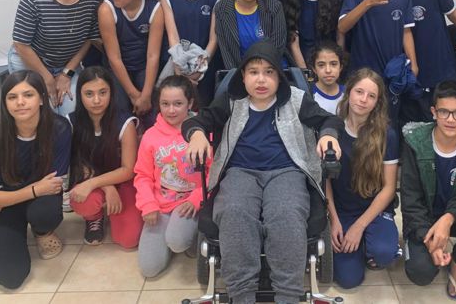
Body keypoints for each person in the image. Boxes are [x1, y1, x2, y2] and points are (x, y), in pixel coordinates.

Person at [183, 40, 342, 304]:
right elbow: (199, 120)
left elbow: (329, 119)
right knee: (234, 211)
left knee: (286, 213)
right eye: (253, 72)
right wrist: (197, 133)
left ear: (279, 78)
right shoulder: (232, 100)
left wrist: (328, 135)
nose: (261, 79)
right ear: (243, 76)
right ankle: (241, 294)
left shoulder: (296, 99)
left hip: (286, 171)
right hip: (240, 171)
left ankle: (288, 295)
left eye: (269, 72)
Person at [0, 70, 72, 289]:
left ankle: (42, 231)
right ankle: (17, 230)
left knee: (44, 213)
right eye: (12, 97)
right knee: (10, 279)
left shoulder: (60, 128)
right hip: (11, 204)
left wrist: (2, 197)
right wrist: (34, 189)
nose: (20, 102)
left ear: (41, 98)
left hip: (30, 199)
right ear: (5, 104)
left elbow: (53, 185)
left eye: (28, 95)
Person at [401, 80, 456, 300]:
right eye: (444, 112)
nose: (451, 119)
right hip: (424, 215)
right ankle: (426, 245)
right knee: (421, 273)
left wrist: (448, 218)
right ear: (434, 112)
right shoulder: (414, 142)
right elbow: (411, 199)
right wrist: (430, 243)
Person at [326, 69, 401, 289]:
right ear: (348, 92)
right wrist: (333, 220)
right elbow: (326, 180)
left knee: (384, 253)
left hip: (374, 209)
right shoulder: (332, 129)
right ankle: (358, 248)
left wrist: (359, 227)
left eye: (371, 96)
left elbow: (389, 188)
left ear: (377, 102)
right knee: (348, 280)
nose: (363, 99)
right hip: (343, 210)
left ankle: (369, 243)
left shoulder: (387, 134)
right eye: (359, 92)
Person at [9, 0, 102, 115]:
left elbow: (89, 39)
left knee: (71, 111)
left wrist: (66, 74)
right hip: (30, 61)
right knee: (44, 112)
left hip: (66, 65)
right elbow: (21, 44)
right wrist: (47, 79)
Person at [135, 75, 211, 277]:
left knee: (177, 241)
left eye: (178, 104)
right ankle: (169, 238)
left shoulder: (201, 132)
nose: (171, 110)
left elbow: (213, 172)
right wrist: (148, 205)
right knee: (149, 269)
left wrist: (197, 199)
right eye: (165, 104)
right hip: (160, 205)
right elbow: (142, 175)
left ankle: (188, 235)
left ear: (190, 103)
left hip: (188, 203)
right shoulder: (150, 136)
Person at [68, 66, 143, 247]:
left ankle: (116, 209)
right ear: (80, 95)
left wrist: (100, 184)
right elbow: (77, 164)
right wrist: (107, 187)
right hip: (89, 179)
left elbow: (128, 170)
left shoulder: (125, 123)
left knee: (128, 240)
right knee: (83, 201)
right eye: (89, 94)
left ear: (111, 93)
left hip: (123, 182)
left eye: (103, 92)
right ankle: (94, 217)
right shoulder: (71, 122)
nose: (96, 100)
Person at [98, 0, 164, 131]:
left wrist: (146, 95)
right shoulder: (106, 9)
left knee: (152, 111)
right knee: (121, 112)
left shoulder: (154, 9)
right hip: (117, 68)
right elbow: (114, 58)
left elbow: (153, 56)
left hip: (144, 66)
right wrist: (134, 95)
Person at [160, 0, 222, 105]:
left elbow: (213, 39)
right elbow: (172, 34)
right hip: (175, 65)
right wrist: (179, 69)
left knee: (201, 110)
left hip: (204, 67)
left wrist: (200, 68)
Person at [214, 0, 287, 70]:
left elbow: (277, 48)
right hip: (238, 72)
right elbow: (226, 51)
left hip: (272, 70)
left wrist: (260, 74)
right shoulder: (222, 9)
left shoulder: (274, 7)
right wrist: (240, 76)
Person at [310, 41, 346, 115]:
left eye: (333, 64)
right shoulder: (307, 95)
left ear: (340, 67)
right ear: (314, 69)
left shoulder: (347, 94)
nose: (328, 70)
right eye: (321, 65)